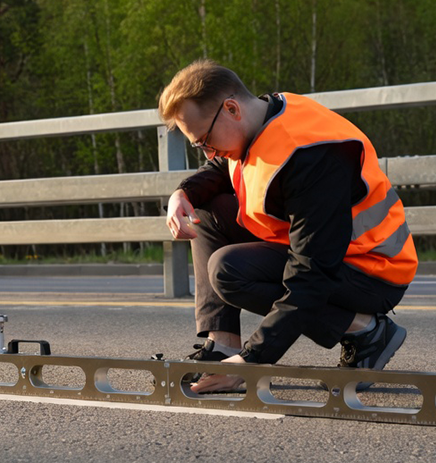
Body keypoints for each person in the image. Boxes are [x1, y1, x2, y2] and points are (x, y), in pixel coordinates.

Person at [158, 60, 418, 393]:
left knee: (228, 271)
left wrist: (253, 362)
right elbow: (223, 165)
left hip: (371, 268)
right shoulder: (261, 118)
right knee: (204, 211)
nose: (207, 151)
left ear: (232, 108)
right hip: (324, 253)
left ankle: (367, 330)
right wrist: (185, 192)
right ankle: (223, 345)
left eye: (204, 141)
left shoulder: (314, 155)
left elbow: (311, 271)